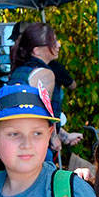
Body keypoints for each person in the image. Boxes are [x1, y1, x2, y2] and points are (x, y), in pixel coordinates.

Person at [9, 23, 83, 156]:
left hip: (18, 147)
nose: (59, 45)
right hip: (37, 150)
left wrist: (65, 136)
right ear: (36, 50)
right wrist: (53, 137)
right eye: (52, 41)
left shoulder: (19, 71)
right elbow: (42, 117)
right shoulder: (44, 74)